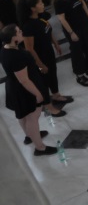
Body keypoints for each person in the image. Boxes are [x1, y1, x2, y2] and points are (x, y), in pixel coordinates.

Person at [0, 24, 57, 156]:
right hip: (25, 90)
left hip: (14, 88)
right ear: (14, 38)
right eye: (19, 32)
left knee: (22, 115)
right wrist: (37, 94)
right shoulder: (17, 56)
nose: (22, 32)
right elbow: (24, 80)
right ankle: (40, 148)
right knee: (32, 117)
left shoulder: (4, 49)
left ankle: (29, 136)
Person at [17, 0, 71, 116]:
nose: (43, 4)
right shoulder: (28, 26)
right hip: (39, 58)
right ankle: (48, 106)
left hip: (48, 52)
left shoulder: (41, 17)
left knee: (52, 74)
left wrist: (55, 43)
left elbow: (48, 30)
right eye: (40, 3)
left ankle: (56, 94)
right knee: (43, 82)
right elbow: (29, 49)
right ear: (32, 8)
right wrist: (40, 64)